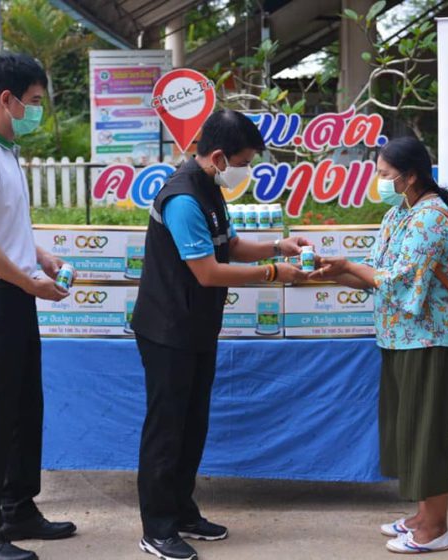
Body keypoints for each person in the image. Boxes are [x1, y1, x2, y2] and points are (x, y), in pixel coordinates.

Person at [131, 109, 310, 560]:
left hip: (196, 327)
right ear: (217, 156)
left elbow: (228, 246)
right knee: (166, 430)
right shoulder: (182, 198)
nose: (245, 171)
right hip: (167, 330)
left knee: (192, 425)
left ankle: (182, 511)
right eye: (243, 162)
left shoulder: (210, 187)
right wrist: (273, 273)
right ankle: (157, 529)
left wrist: (277, 245)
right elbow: (208, 272)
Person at [0, 53, 77, 560]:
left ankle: (17, 509)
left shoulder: (6, 152)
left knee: (25, 409)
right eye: (35, 101)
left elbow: (1, 228)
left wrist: (39, 256)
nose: (38, 111)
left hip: (15, 295)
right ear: (7, 99)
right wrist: (28, 281)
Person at [310, 137, 448, 554]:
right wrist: (331, 272)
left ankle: (436, 529)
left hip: (428, 340)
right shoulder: (399, 213)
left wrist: (347, 266)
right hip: (398, 337)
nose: (378, 181)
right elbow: (377, 273)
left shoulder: (431, 217)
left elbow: (398, 280)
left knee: (426, 433)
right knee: (409, 430)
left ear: (409, 176)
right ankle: (422, 516)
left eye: (384, 174)